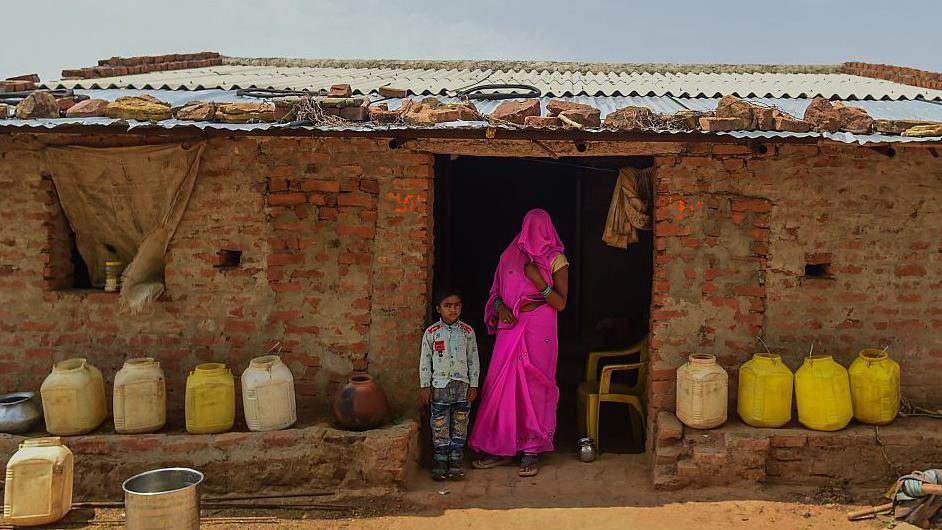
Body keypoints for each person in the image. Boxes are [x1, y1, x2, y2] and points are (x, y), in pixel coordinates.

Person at [469, 208, 569, 477]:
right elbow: (496, 294)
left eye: (540, 228)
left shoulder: (556, 259)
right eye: (530, 227)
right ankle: (500, 447)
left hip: (541, 328)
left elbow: (560, 303)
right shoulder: (509, 256)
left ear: (548, 230)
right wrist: (500, 308)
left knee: (536, 386)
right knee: (500, 386)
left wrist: (538, 280)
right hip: (510, 327)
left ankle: (531, 449)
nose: (535, 234)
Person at [420, 289, 480, 481]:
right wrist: (424, 386)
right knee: (439, 424)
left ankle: (455, 461)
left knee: (461, 423)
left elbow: (473, 360)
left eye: (456, 305)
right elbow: (425, 361)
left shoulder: (468, 332)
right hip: (439, 386)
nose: (453, 309)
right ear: (438, 309)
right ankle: (440, 461)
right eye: (447, 306)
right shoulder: (431, 333)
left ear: (461, 307)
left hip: (462, 385)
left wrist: (474, 385)